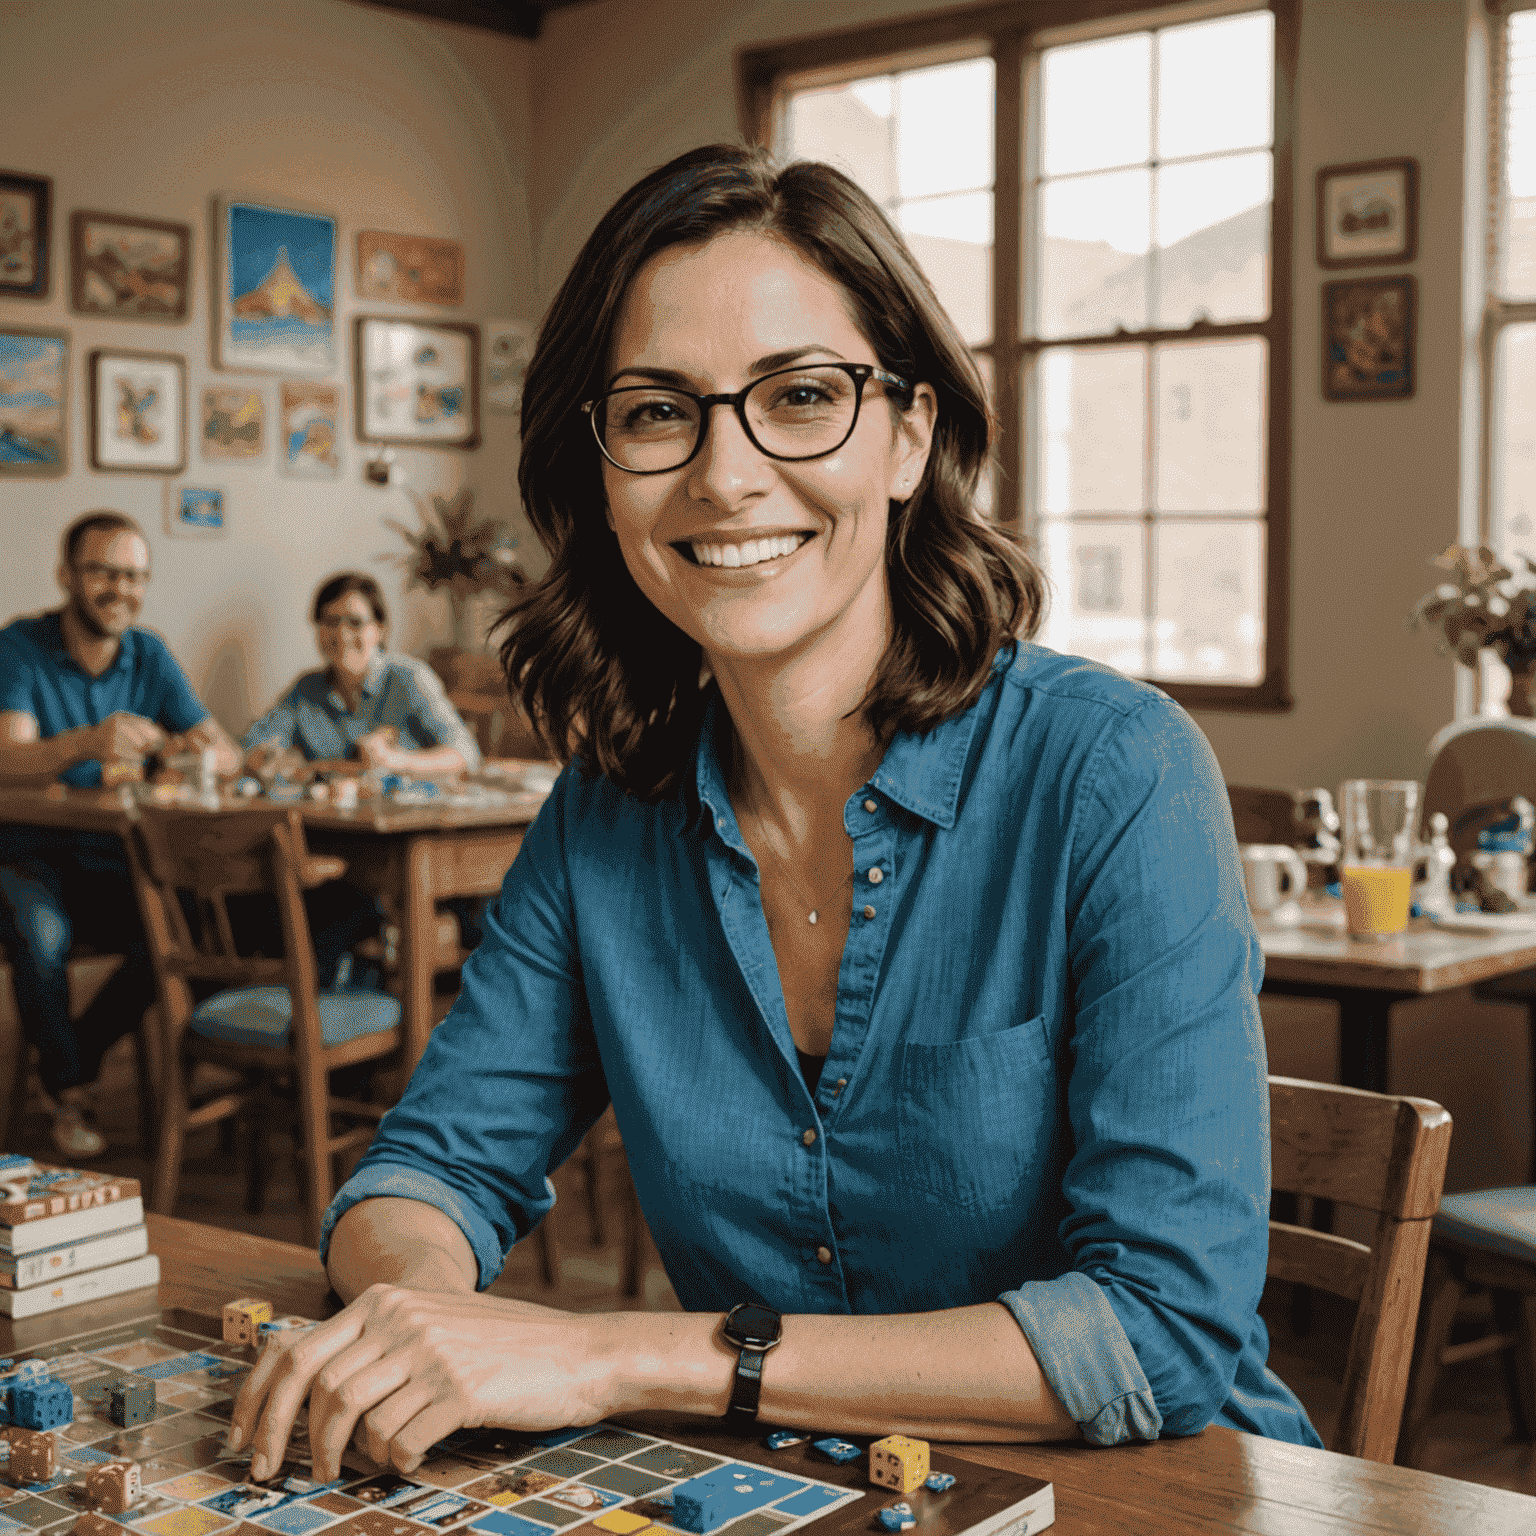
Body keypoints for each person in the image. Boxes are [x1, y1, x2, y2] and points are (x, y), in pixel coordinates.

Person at [232, 144, 1321, 1480]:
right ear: (601, 461)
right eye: (655, 412)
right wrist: (418, 1308)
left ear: (910, 435)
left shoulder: (1116, 773)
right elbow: (423, 1172)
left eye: (801, 397)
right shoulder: (605, 813)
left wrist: (618, 1354)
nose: (725, 475)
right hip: (781, 1500)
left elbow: (1156, 1333)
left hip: (1145, 1500)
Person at [0, 510, 240, 1157]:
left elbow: (228, 754)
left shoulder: (149, 652)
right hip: (28, 856)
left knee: (191, 918)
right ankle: (72, 1092)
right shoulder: (20, 645)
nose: (119, 589)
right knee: (39, 933)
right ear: (66, 577)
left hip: (116, 860)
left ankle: (67, 1068)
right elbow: (6, 758)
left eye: (133, 575)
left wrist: (173, 746)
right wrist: (85, 741)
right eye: (102, 571)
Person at [235, 572, 483, 983]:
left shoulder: (407, 679)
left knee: (324, 912)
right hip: (341, 846)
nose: (341, 633)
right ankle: (324, 1008)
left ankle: (343, 1007)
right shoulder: (308, 690)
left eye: (355, 622)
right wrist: (270, 759)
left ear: (379, 629)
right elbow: (250, 748)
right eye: (329, 622)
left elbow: (465, 755)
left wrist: (397, 759)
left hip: (415, 844)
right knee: (266, 904)